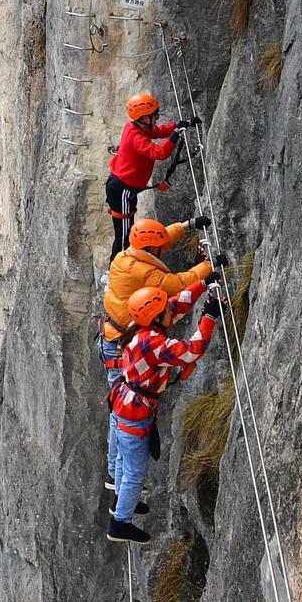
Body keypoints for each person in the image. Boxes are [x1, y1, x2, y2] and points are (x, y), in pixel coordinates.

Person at [106, 283, 221, 544]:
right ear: (155, 317)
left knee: (125, 461)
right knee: (135, 471)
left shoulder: (141, 330)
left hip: (123, 405)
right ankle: (120, 523)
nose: (170, 310)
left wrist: (204, 282)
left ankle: (122, 503)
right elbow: (191, 351)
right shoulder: (153, 343)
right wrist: (209, 318)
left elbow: (174, 305)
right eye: (163, 309)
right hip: (134, 413)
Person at [98, 216, 215, 383]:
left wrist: (187, 225)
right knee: (125, 401)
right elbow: (178, 284)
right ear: (152, 249)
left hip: (113, 334)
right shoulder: (144, 272)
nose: (162, 247)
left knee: (124, 396)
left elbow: (159, 240)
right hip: (119, 344)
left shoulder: (126, 256)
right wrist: (209, 266)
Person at [104, 93, 197, 252]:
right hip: (123, 190)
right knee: (125, 234)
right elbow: (160, 152)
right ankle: (115, 268)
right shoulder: (136, 136)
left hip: (122, 188)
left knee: (125, 231)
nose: (158, 117)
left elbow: (158, 131)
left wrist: (181, 125)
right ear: (146, 118)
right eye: (156, 115)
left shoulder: (136, 126)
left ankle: (116, 266)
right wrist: (176, 134)